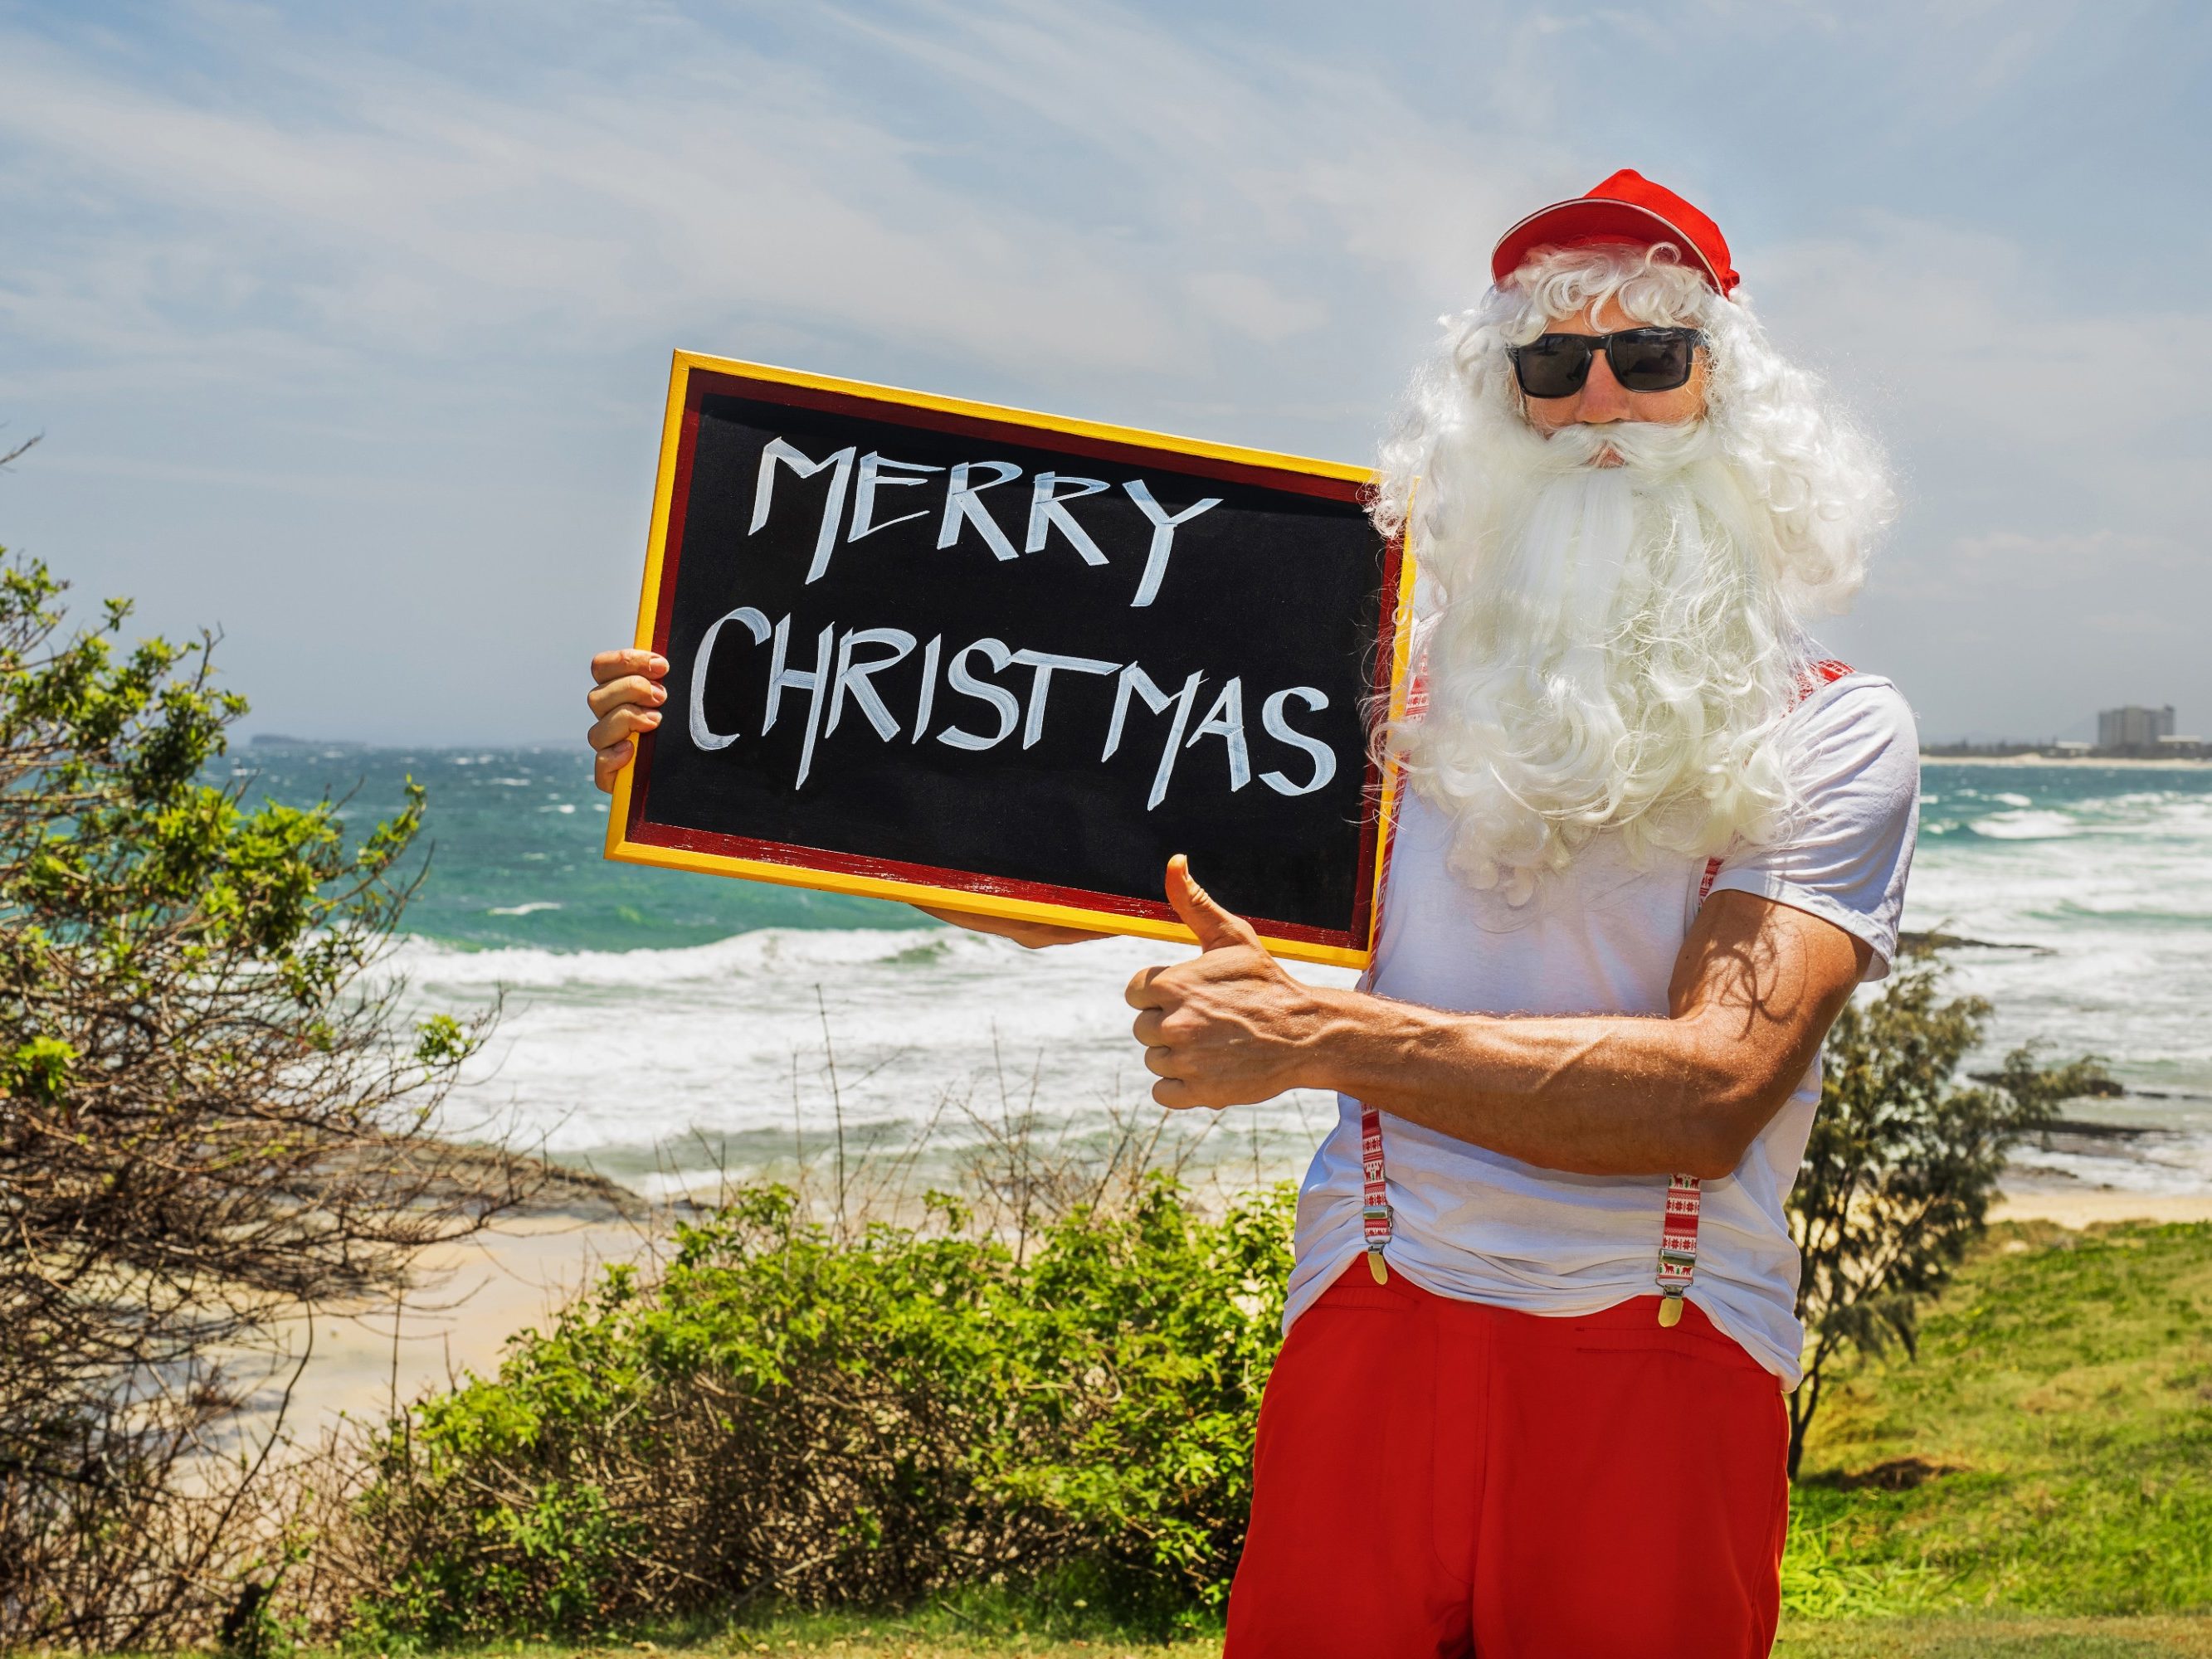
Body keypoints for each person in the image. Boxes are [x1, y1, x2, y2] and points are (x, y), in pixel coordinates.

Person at [585, 168, 1917, 1658]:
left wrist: (1318, 1037)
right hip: (1371, 1295)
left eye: (1649, 359)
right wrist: (729, 744)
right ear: (1505, 406)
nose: (1600, 400)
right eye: (1554, 365)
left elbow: (1710, 1094)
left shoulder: (1832, 731)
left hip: (1669, 1332)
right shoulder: (1375, 694)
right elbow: (1061, 870)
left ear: (1726, 395)